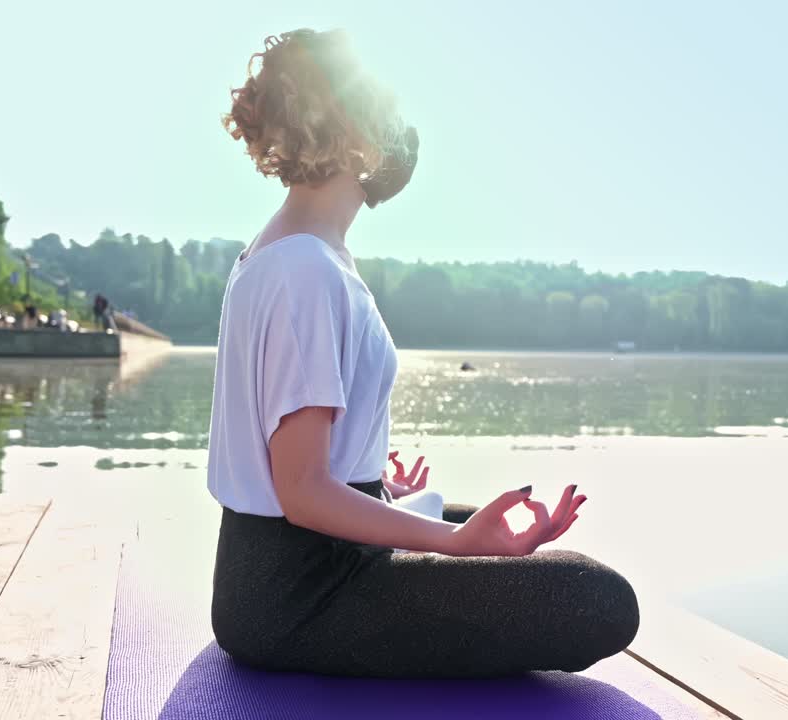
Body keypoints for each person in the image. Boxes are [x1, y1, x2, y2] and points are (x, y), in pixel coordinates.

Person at [207, 29, 638, 679]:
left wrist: (373, 480)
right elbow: (299, 492)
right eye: (395, 117)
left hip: (291, 567)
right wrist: (457, 544)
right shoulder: (304, 270)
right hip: (295, 598)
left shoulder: (294, 252)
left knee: (484, 519)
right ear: (358, 132)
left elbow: (293, 458)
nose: (404, 137)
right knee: (594, 598)